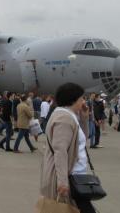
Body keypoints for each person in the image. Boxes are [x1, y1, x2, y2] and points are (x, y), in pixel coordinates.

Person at [40, 83, 95, 213]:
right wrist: (63, 181)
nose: (83, 101)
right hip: (70, 177)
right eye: (82, 98)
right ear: (73, 99)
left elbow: (82, 139)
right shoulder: (63, 119)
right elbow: (60, 151)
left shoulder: (69, 115)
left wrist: (84, 118)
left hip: (75, 176)